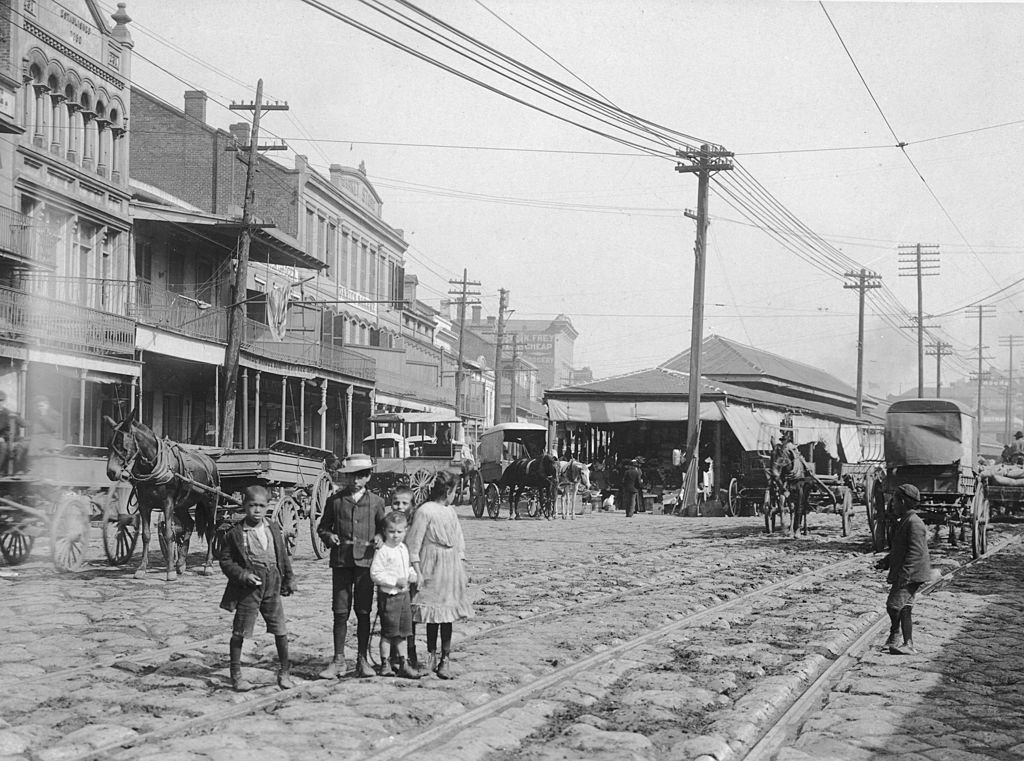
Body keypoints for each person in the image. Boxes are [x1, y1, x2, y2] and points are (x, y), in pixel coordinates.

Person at [218, 485, 296, 691]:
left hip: (272, 585)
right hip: (248, 590)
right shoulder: (235, 533)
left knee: (281, 630)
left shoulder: (272, 528)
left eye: (262, 506)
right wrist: (242, 575)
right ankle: (236, 674)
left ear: (268, 507)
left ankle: (284, 672)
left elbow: (282, 555)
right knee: (240, 631)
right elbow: (225, 561)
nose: (257, 510)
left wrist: (289, 578)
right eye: (252, 505)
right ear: (244, 506)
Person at [317, 453, 387, 679]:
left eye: (360, 476)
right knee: (340, 611)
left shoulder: (376, 502)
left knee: (364, 611)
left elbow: (383, 529)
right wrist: (329, 537)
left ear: (368, 477)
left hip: (365, 563)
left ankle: (362, 659)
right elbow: (322, 528)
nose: (355, 481)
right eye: (351, 477)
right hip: (341, 562)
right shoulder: (335, 501)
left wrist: (379, 537)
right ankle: (338, 660)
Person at [405, 470, 473, 679]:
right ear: (447, 491)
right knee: (431, 612)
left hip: (449, 565)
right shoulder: (425, 511)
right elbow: (413, 543)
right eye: (454, 491)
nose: (455, 495)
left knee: (446, 614)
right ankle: (428, 655)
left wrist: (460, 564)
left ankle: (445, 657)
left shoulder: (450, 511)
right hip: (430, 564)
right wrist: (417, 569)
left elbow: (459, 539)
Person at [875, 483, 932, 655]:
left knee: (893, 605)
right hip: (908, 572)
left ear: (902, 502)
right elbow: (899, 549)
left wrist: (905, 576)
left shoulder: (915, 523)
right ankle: (908, 644)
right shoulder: (906, 521)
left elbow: (915, 553)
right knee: (905, 607)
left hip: (911, 573)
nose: (892, 504)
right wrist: (886, 561)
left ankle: (895, 635)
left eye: (894, 501)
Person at [369, 511, 420, 679]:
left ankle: (403, 662)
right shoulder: (383, 550)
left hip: (404, 596)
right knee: (388, 633)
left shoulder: (403, 548)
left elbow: (406, 567)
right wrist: (393, 581)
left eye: (399, 532)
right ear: (385, 531)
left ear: (405, 531)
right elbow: (375, 574)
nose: (395, 535)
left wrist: (412, 575)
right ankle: (385, 663)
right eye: (392, 532)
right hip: (389, 597)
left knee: (403, 632)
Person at [389, 487, 426, 674]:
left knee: (409, 617)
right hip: (392, 576)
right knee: (391, 616)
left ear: (412, 505)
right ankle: (393, 655)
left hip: (410, 574)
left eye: (405, 503)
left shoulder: (415, 523)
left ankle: (409, 653)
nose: (400, 507)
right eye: (396, 503)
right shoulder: (389, 523)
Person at [0, 391, 25, 474]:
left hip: (10, 440)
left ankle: (17, 471)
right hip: (2, 441)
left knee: (21, 446)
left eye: (1, 400)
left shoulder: (8, 412)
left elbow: (23, 424)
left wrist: (16, 416)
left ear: (4, 401)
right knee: (2, 447)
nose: (0, 403)